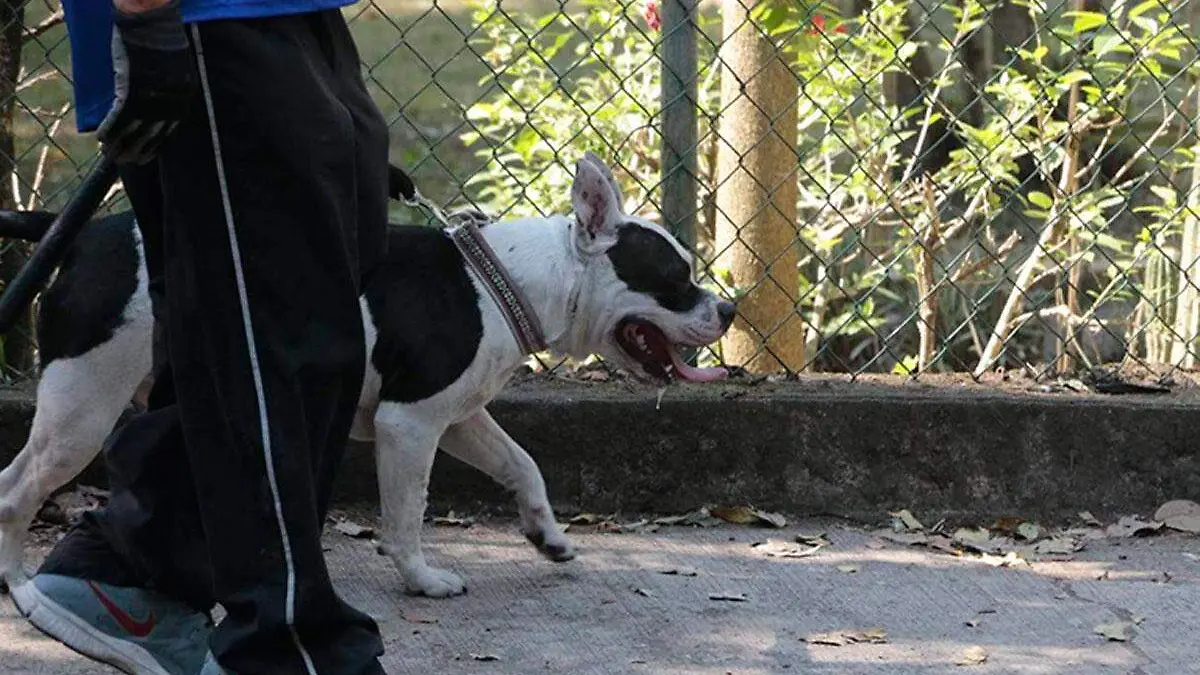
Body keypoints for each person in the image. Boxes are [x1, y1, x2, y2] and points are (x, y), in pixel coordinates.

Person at [16, 1, 391, 673]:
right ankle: (284, 647)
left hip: (289, 13)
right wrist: (149, 17)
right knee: (276, 334)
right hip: (207, 18)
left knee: (296, 315)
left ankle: (142, 564)